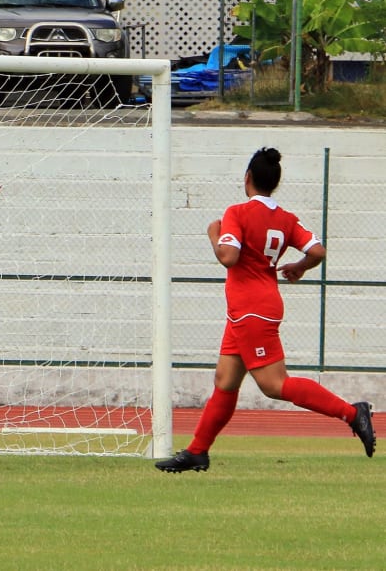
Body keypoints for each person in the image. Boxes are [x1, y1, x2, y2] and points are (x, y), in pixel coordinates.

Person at [156, 148, 376, 473]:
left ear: (247, 177)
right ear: (274, 182)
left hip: (251, 310)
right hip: (252, 308)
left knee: (274, 384)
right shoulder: (285, 219)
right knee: (225, 380)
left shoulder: (237, 212)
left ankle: (353, 413)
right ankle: (197, 451)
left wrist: (214, 235)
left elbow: (228, 257)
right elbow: (317, 251)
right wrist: (300, 266)